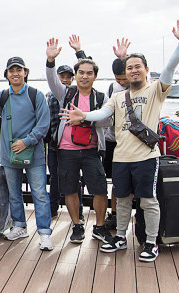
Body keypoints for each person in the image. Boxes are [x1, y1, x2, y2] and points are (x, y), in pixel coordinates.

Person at [62, 18, 179, 262]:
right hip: (121, 158)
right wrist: (84, 115)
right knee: (121, 200)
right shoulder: (119, 96)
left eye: (137, 67)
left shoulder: (155, 91)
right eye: (129, 67)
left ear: (146, 70)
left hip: (146, 157)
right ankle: (121, 236)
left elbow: (170, 69)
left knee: (148, 202)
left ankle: (151, 243)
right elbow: (103, 113)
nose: (133, 70)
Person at [0, 55, 52, 250]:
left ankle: (44, 233)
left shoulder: (36, 95)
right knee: (14, 194)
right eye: (11, 70)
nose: (15, 73)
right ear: (6, 74)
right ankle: (19, 226)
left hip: (34, 155)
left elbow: (43, 125)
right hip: (9, 155)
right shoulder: (3, 96)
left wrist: (26, 141)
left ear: (25, 73)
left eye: (19, 70)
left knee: (40, 194)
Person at [46, 38, 113, 245]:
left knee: (100, 189)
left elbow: (106, 121)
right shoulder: (66, 93)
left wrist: (83, 116)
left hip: (92, 150)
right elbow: (52, 80)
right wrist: (50, 60)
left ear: (95, 77)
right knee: (70, 190)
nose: (84, 76)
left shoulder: (101, 98)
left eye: (89, 73)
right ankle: (77, 225)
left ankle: (100, 227)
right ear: (75, 76)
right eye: (81, 73)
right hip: (66, 150)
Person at [46, 34, 87, 220]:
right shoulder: (52, 94)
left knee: (75, 180)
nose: (64, 79)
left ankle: (78, 212)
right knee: (54, 179)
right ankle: (53, 208)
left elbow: (87, 69)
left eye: (68, 76)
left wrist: (80, 52)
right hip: (55, 145)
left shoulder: (75, 93)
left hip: (73, 145)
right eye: (61, 76)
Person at [103, 38, 131, 230]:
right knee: (116, 181)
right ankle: (114, 215)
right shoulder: (113, 89)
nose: (122, 82)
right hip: (113, 141)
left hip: (133, 142)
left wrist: (125, 57)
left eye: (124, 78)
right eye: (118, 79)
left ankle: (134, 215)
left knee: (133, 183)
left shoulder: (139, 85)